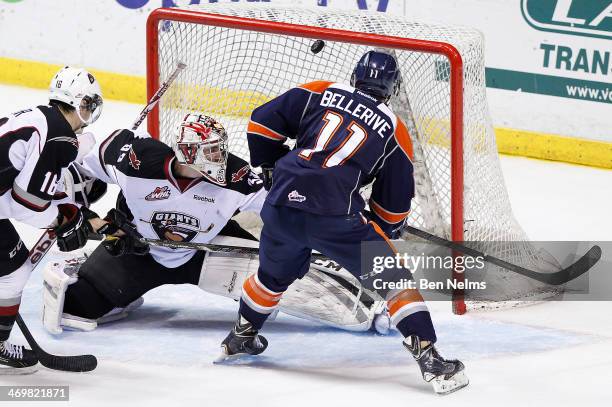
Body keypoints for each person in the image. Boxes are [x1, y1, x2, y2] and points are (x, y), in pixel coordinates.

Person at [218, 50, 468, 394]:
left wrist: (271, 167)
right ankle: (431, 360)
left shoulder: (319, 90)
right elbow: (393, 207)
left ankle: (240, 337)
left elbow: (262, 120)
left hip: (280, 207)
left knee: (272, 276)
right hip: (335, 216)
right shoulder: (395, 130)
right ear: (391, 89)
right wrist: (381, 231)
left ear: (354, 77)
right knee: (393, 278)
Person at [43, 114, 388, 335]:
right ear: (187, 154)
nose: (219, 158)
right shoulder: (133, 160)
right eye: (210, 152)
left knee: (288, 282)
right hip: (141, 250)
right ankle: (112, 287)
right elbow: (75, 166)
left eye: (219, 149)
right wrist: (80, 214)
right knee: (76, 307)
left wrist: (334, 214)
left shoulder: (237, 178)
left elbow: (287, 210)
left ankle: (375, 301)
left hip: (211, 249)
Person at [0, 66, 104, 373]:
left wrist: (64, 211)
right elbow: (27, 203)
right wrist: (62, 218)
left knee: (11, 268)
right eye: (89, 103)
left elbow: (24, 189)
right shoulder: (60, 136)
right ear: (80, 102)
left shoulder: (42, 119)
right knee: (13, 272)